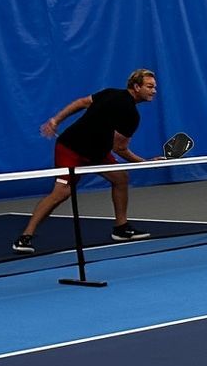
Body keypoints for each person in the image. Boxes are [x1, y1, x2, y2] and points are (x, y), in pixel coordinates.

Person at [13, 68, 158, 253]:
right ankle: (24, 237)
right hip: (71, 148)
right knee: (61, 193)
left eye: (154, 87)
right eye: (150, 87)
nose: (154, 91)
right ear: (136, 87)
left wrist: (56, 120)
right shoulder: (130, 113)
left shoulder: (110, 92)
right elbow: (120, 148)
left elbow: (81, 103)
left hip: (97, 151)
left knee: (120, 178)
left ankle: (121, 229)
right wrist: (145, 163)